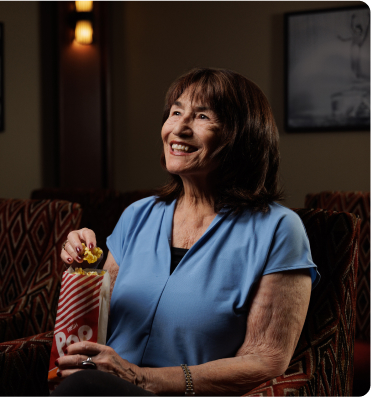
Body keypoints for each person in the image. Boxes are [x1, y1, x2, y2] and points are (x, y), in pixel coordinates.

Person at [54, 68, 319, 396]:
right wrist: (81, 265)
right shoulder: (137, 215)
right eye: (176, 112)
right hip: (99, 385)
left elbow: (265, 360)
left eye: (202, 116)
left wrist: (142, 378)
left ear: (243, 135)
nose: (179, 128)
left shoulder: (278, 229)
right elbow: (101, 321)